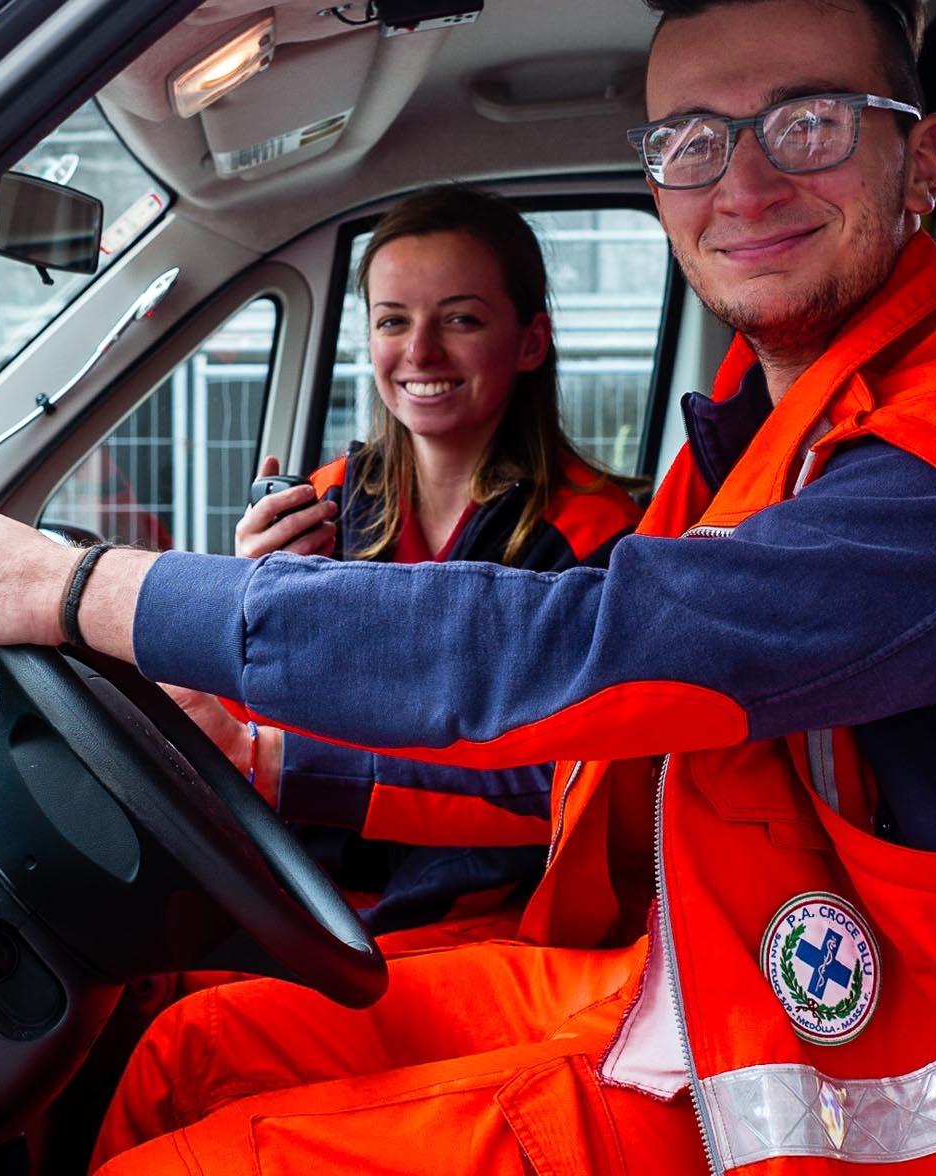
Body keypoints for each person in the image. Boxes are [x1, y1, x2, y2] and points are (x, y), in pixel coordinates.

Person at [0, 0, 936, 1174]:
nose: (742, 182)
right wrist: (275, 754)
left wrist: (77, 590)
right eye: (690, 140)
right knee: (196, 1048)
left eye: (808, 123)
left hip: (929, 1102)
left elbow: (565, 650)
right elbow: (584, 760)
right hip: (737, 989)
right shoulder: (782, 428)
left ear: (920, 163)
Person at [173, 185, 641, 941]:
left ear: (530, 342)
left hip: (486, 918)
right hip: (307, 891)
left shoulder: (597, 540)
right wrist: (247, 601)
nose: (420, 352)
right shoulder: (322, 501)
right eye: (394, 321)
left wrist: (285, 763)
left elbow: (558, 791)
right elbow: (240, 717)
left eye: (460, 319)